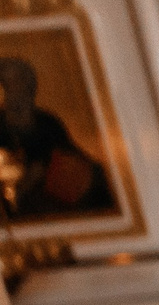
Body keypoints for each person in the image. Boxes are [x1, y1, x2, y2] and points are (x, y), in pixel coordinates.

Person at [0, 54, 112, 220]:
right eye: (9, 84)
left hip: (47, 200)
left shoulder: (47, 122)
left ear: (31, 88)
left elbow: (69, 155)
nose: (15, 91)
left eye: (20, 84)